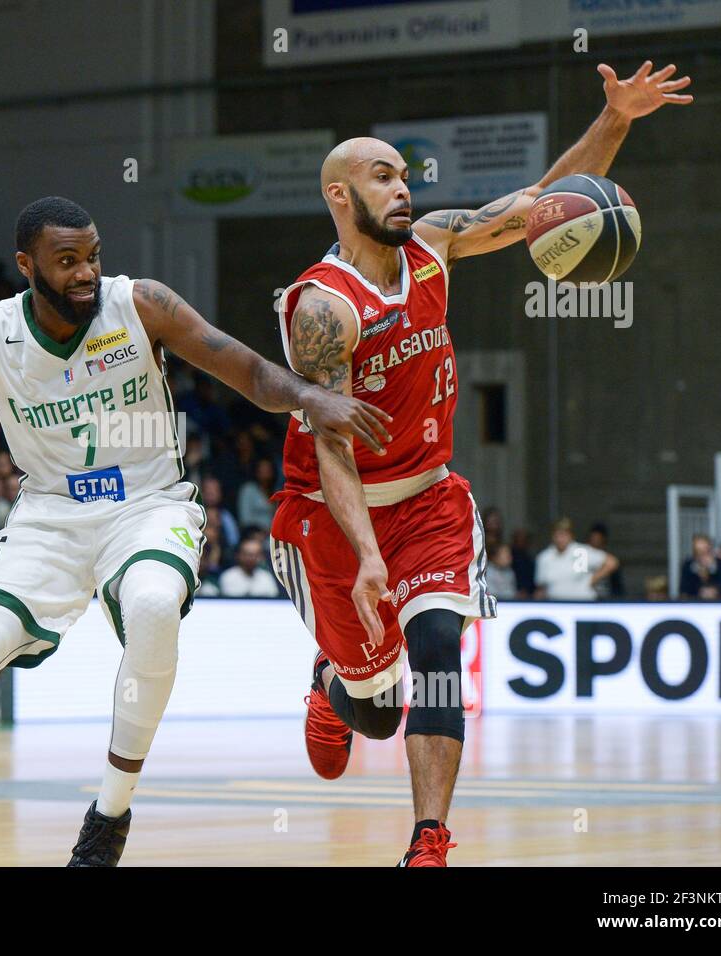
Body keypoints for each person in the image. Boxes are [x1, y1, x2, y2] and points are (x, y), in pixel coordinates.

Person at [0, 190, 386, 867]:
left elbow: (242, 366)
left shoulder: (141, 304)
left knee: (153, 604)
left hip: (147, 504)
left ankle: (109, 814)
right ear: (26, 267)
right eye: (66, 261)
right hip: (48, 518)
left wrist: (307, 395)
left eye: (92, 256)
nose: (86, 272)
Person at [266, 59, 691, 866]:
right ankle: (333, 685)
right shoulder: (323, 308)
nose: (403, 187)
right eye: (381, 176)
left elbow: (545, 205)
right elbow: (331, 449)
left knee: (435, 653)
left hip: (427, 500)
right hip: (337, 509)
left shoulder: (434, 245)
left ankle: (429, 841)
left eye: (404, 173)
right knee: (376, 713)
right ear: (340, 197)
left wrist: (617, 120)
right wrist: (364, 558)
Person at [534, 518, 621, 600]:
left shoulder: (580, 552)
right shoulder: (545, 557)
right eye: (557, 535)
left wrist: (591, 580)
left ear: (571, 536)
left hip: (581, 605)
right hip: (556, 606)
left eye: (564, 535)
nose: (560, 539)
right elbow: (541, 586)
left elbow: (612, 562)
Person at [679, 533, 721, 599]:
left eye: (705, 551)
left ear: (711, 550)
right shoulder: (688, 566)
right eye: (698, 552)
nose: (701, 555)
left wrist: (711, 570)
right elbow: (684, 593)